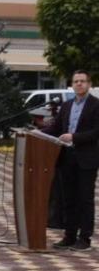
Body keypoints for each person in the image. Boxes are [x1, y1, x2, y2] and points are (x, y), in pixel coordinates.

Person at [43, 70, 99, 251]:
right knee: (68, 198)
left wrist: (74, 137)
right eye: (76, 81)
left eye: (83, 81)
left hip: (86, 158)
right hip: (66, 158)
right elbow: (56, 127)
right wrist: (35, 133)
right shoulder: (66, 106)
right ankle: (69, 235)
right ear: (72, 84)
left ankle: (84, 238)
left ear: (89, 84)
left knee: (85, 199)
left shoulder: (96, 105)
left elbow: (96, 132)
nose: (79, 84)